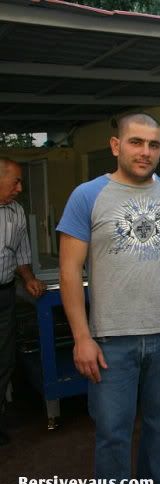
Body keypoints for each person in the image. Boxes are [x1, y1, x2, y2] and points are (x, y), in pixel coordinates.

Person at [58, 113, 160, 484]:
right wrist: (82, 338)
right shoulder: (87, 195)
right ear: (116, 146)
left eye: (153, 144)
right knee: (113, 433)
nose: (145, 151)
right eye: (136, 142)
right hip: (111, 340)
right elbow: (69, 272)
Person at [0, 157, 45, 445]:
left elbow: (21, 253)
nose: (19, 188)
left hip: (4, 294)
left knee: (4, 359)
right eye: (15, 181)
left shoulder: (16, 211)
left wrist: (28, 278)